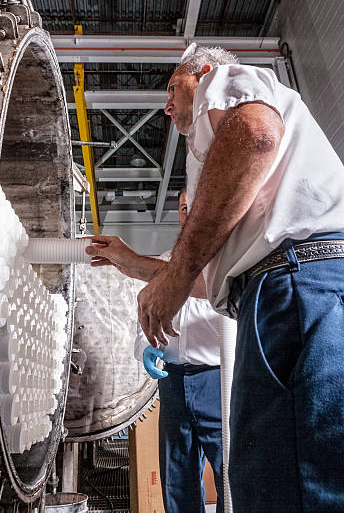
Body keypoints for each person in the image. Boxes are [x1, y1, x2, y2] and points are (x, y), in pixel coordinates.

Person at [87, 44, 344, 512]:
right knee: (274, 475)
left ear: (202, 71)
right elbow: (208, 285)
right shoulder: (245, 198)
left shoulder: (221, 82)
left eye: (171, 87)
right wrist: (136, 265)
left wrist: (174, 277)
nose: (165, 105)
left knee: (290, 477)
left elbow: (256, 135)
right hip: (286, 287)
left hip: (297, 285)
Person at [135, 188, 223, 513]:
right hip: (171, 381)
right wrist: (147, 347)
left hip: (216, 378)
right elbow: (144, 315)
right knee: (177, 471)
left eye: (194, 206)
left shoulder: (223, 266)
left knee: (228, 470)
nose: (188, 212)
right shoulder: (159, 264)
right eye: (183, 207)